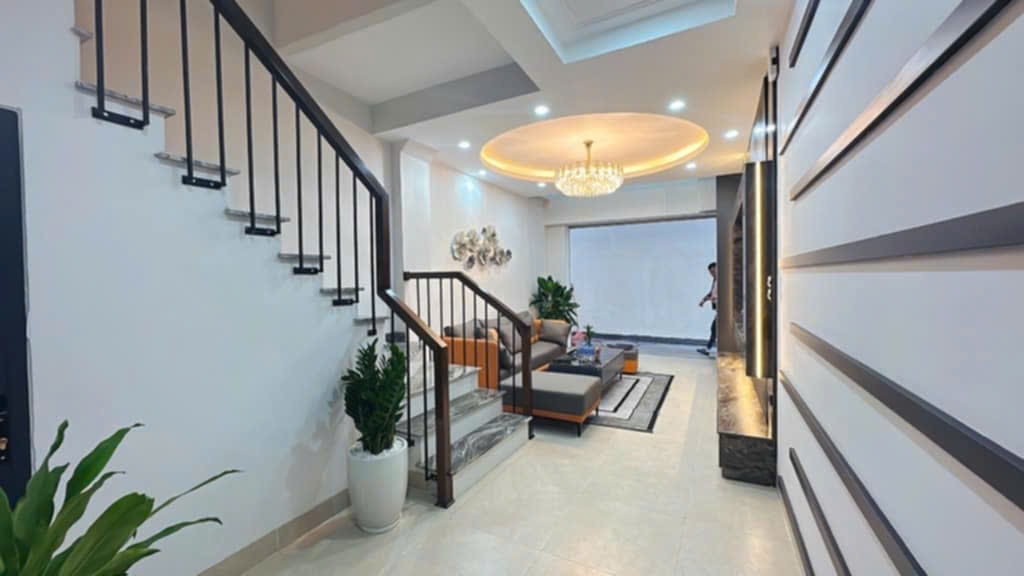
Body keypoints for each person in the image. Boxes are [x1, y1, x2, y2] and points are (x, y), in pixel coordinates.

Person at [697, 262, 717, 357]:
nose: (712, 274)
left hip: (724, 309)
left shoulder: (724, 280)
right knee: (714, 329)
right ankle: (708, 348)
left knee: (714, 328)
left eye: (713, 271)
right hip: (719, 308)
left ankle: (708, 349)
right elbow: (712, 293)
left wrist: (716, 297)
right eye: (710, 272)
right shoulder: (715, 280)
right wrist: (704, 300)